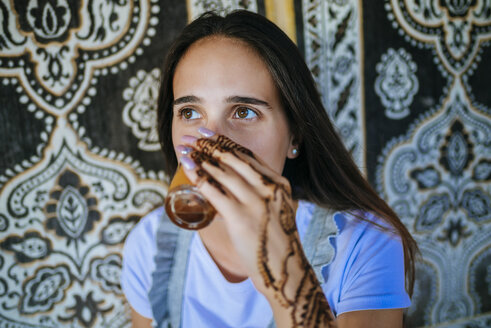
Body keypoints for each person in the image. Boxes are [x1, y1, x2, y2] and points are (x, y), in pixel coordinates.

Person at [121, 10, 418, 328]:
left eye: (244, 111)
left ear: (295, 135)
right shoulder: (149, 245)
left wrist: (283, 271)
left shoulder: (365, 242)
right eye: (190, 112)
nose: (214, 142)